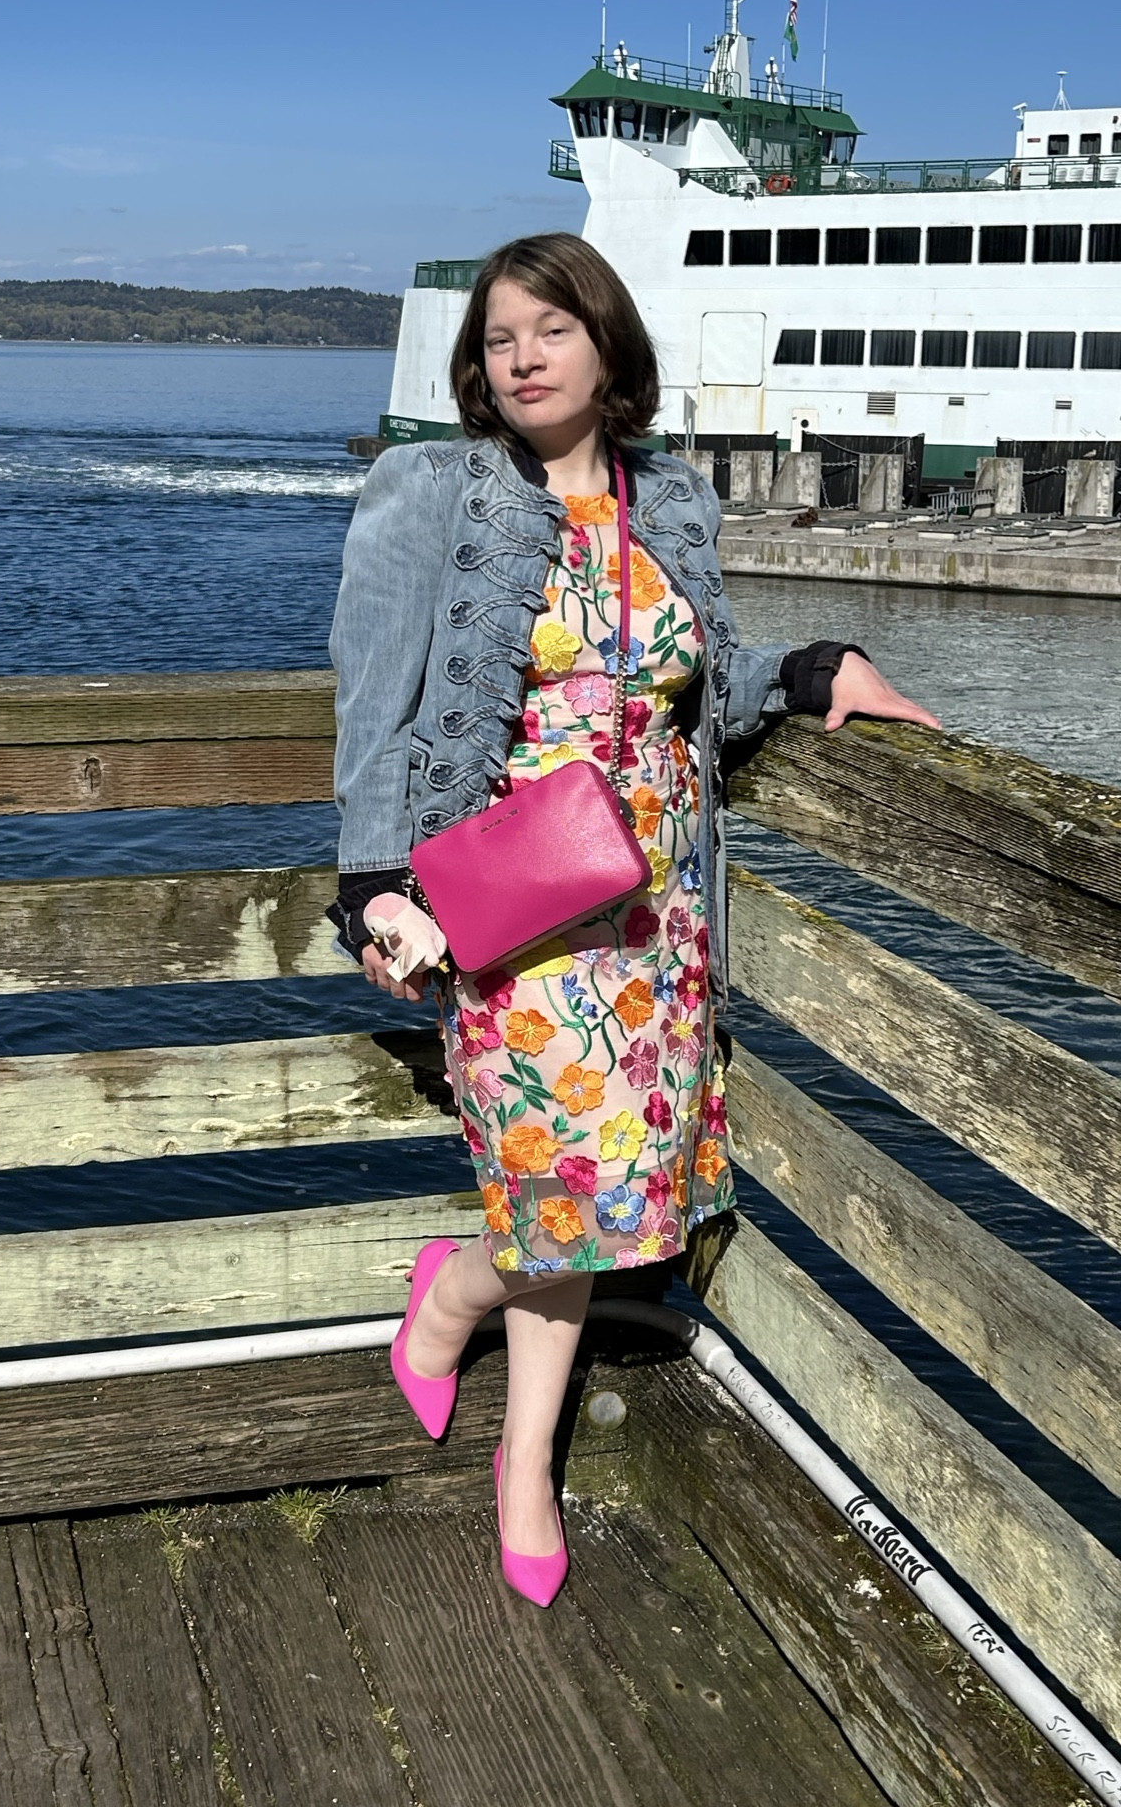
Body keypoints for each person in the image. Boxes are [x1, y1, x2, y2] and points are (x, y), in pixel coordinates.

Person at [327, 233, 938, 1607]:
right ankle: (517, 1443)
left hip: (655, 910)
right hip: (515, 907)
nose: (524, 355)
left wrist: (813, 668)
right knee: (576, 1190)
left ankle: (466, 1323)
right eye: (500, 338)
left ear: (608, 345)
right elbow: (376, 708)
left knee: (610, 1200)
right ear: (478, 369)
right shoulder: (429, 491)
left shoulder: (673, 501)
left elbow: (696, 691)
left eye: (551, 328)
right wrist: (374, 888)